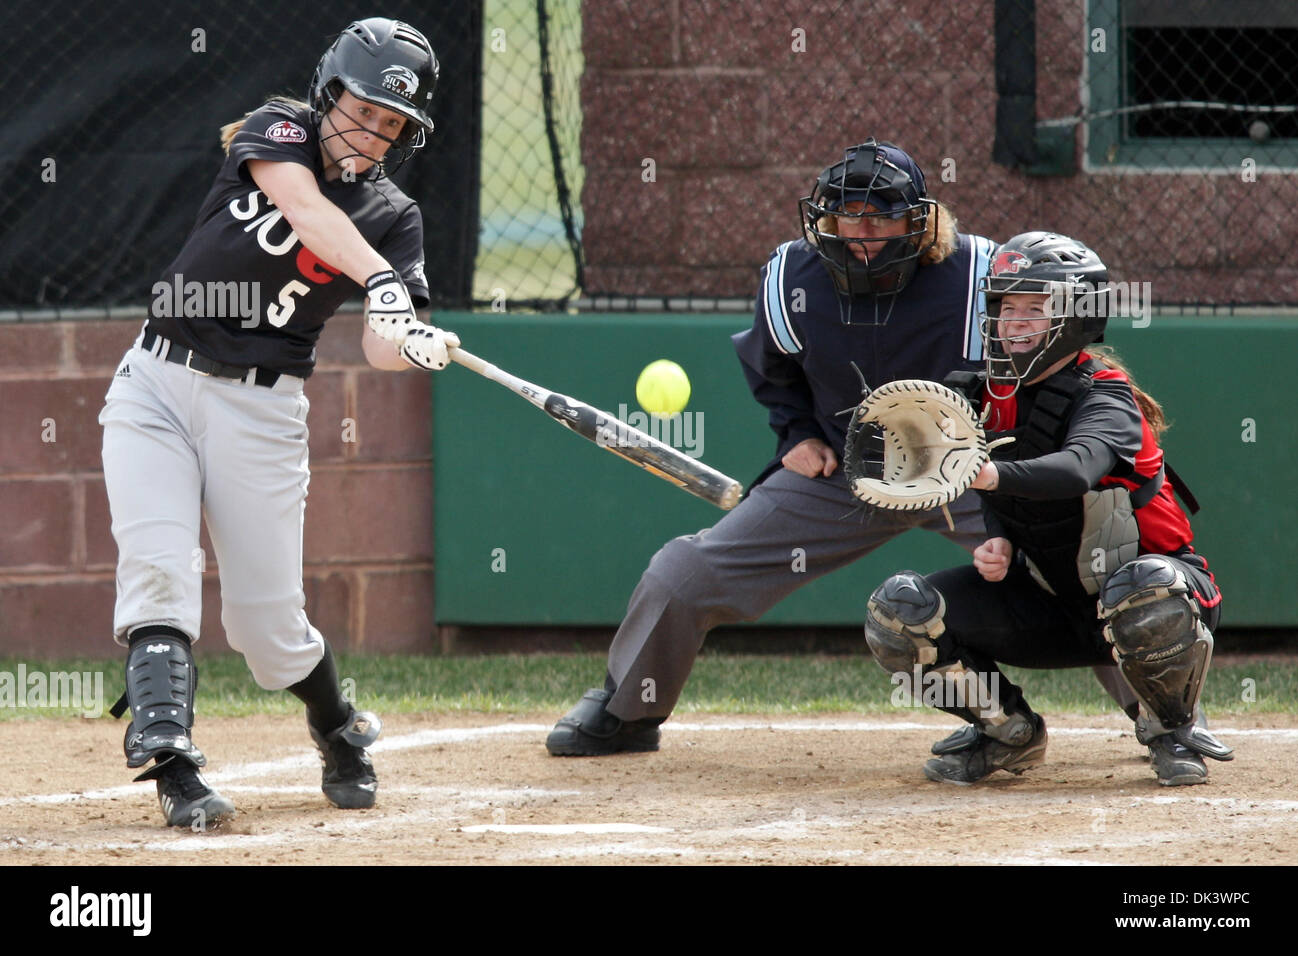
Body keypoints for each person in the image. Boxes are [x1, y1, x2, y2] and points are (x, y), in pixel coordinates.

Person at [99, 18, 460, 828]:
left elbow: (378, 350)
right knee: (157, 570)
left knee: (266, 628)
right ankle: (173, 764)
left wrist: (415, 341)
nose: (372, 132)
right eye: (362, 109)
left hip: (259, 413)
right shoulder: (277, 132)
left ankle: (337, 728)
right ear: (329, 93)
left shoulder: (395, 216)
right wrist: (379, 280)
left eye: (393, 123)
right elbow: (302, 209)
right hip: (154, 383)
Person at [546, 139, 1003, 755]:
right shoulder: (794, 275)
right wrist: (798, 434)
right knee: (684, 573)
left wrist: (1013, 467)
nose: (861, 232)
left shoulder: (979, 273)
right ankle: (630, 710)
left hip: (973, 472)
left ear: (919, 223)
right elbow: (775, 369)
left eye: (880, 216)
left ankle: (1160, 713)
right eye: (847, 216)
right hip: (848, 469)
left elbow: (1033, 368)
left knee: (1079, 565)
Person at [861, 231, 1234, 787]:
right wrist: (1000, 538)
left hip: (1154, 601)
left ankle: (1171, 726)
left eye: (1033, 308)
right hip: (1051, 606)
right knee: (899, 613)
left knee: (1144, 586)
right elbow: (1000, 493)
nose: (1013, 321)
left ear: (1077, 316)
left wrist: (984, 472)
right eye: (1006, 306)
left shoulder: (1105, 395)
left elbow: (1076, 469)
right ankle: (1007, 734)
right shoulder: (982, 394)